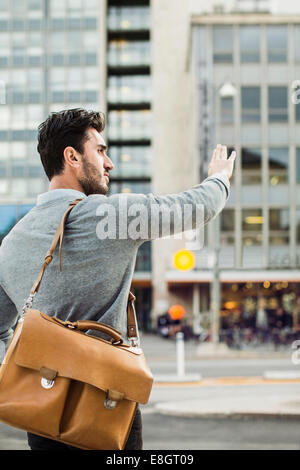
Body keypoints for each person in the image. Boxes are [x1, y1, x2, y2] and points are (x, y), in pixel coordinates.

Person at [0, 108, 236, 450]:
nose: (109, 163)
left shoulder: (12, 243)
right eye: (100, 150)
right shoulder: (109, 216)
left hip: (41, 411)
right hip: (106, 406)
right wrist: (220, 177)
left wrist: (29, 367)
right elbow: (193, 207)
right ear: (72, 157)